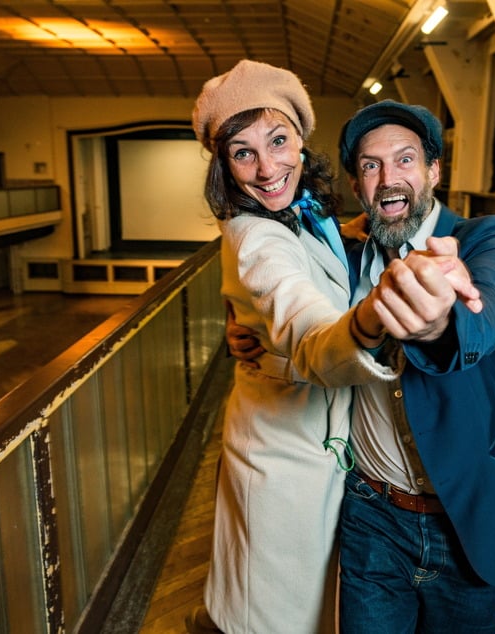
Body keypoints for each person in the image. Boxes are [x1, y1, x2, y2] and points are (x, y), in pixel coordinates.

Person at [229, 99, 495, 632]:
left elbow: (485, 313)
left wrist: (434, 324)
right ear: (359, 185)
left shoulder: (485, 239)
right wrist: (243, 324)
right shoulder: (342, 255)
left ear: (434, 171)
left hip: (468, 518)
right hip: (372, 516)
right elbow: (281, 293)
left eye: (405, 160)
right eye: (371, 165)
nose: (388, 178)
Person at [188, 60, 418, 634]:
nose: (268, 169)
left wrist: (241, 322)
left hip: (309, 445)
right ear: (224, 165)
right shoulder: (257, 234)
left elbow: (308, 269)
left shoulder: (306, 217)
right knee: (270, 615)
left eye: (278, 141)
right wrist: (368, 320)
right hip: (281, 458)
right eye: (243, 153)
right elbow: (300, 313)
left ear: (300, 140)